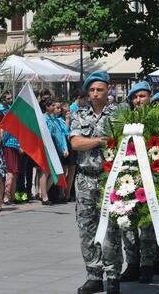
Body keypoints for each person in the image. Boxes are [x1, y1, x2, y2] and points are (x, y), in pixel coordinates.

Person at [70, 71, 121, 294]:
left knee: (111, 228)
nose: (95, 93)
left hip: (110, 177)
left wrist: (89, 142)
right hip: (84, 178)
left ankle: (113, 274)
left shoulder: (119, 114)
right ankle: (94, 274)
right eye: (91, 90)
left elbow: (122, 143)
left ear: (108, 90)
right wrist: (100, 141)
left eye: (100, 89)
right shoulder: (80, 115)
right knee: (86, 227)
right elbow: (76, 143)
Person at [120, 81, 159, 284]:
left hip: (151, 178)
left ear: (149, 96)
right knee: (127, 224)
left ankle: (148, 265)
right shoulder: (125, 119)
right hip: (128, 177)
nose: (138, 100)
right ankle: (132, 264)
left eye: (142, 96)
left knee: (147, 226)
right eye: (135, 97)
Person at [0, 91, 21, 205]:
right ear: (3, 100)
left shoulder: (13, 109)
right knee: (10, 172)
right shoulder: (0, 110)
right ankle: (5, 197)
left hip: (15, 144)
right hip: (7, 144)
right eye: (8, 99)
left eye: (11, 98)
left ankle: (12, 196)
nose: (10, 100)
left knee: (14, 173)